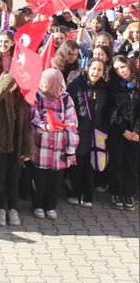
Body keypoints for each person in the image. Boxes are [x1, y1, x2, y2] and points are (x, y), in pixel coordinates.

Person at [0, 62, 33, 227]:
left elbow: (26, 126)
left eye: (15, 82)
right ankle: (1, 208)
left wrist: (27, 149)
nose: (12, 84)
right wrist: (14, 71)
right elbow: (0, 92)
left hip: (16, 147)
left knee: (13, 180)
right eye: (9, 82)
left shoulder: (22, 100)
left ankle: (12, 208)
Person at [29, 68, 78, 220]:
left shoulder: (66, 99)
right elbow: (32, 118)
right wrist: (45, 126)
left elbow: (72, 123)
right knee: (40, 178)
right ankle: (38, 205)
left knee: (55, 179)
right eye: (42, 79)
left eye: (46, 80)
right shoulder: (37, 96)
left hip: (59, 148)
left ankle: (51, 206)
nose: (43, 82)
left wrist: (71, 148)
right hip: (40, 147)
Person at [66, 58, 108, 208]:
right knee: (77, 162)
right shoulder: (76, 85)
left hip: (96, 132)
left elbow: (106, 110)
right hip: (78, 130)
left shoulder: (104, 87)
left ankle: (87, 194)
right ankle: (72, 192)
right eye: (94, 69)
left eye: (100, 70)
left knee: (91, 162)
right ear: (87, 68)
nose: (96, 72)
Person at [108, 55, 139, 211]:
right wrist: (123, 130)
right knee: (117, 162)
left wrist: (137, 131)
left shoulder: (137, 84)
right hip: (119, 132)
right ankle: (116, 192)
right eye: (117, 69)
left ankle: (129, 193)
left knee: (132, 164)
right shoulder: (112, 86)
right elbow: (112, 111)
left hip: (136, 133)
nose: (121, 71)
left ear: (129, 65)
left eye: (123, 67)